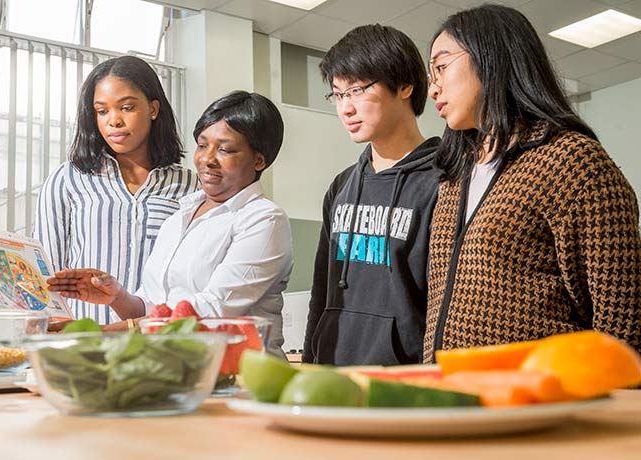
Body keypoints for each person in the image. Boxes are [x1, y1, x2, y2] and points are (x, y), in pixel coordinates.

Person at [423, 4, 641, 361]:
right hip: (452, 401)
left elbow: (623, 321)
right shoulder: (453, 178)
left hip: (542, 402)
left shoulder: (573, 163)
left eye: (441, 67)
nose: (434, 88)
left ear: (491, 58)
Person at [47, 91, 293, 356]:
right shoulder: (179, 217)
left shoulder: (264, 220)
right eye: (202, 145)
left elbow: (210, 310)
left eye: (224, 149)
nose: (207, 159)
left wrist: (103, 335)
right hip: (179, 370)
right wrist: (117, 296)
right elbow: (153, 307)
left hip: (241, 375)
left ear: (259, 159)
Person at [302, 25, 441, 366]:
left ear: (405, 85)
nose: (345, 108)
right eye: (337, 94)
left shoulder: (444, 181)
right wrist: (308, 363)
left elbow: (444, 301)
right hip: (332, 375)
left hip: (403, 383)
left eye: (357, 90)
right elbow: (321, 289)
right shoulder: (342, 185)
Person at [33, 56, 198, 324]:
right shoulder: (68, 179)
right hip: (86, 342)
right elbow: (45, 272)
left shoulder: (190, 187)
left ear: (153, 109)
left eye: (127, 107)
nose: (114, 121)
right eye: (102, 111)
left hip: (158, 343)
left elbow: (191, 277)